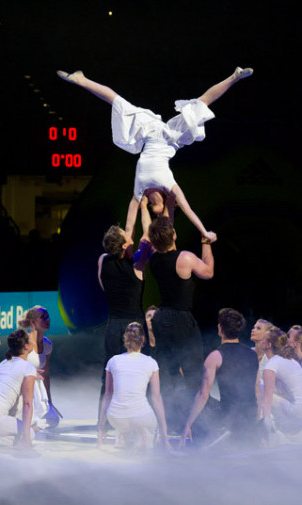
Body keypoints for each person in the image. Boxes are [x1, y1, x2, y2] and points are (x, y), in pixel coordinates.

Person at [57, 66, 253, 243]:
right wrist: (204, 232)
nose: (152, 208)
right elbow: (188, 210)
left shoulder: (140, 188)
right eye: (157, 212)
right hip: (171, 138)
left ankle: (81, 80)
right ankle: (234, 77)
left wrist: (127, 239)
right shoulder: (169, 185)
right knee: (201, 104)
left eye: (153, 212)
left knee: (118, 102)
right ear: (168, 205)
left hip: (150, 132)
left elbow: (129, 224)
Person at [147, 215, 214, 431]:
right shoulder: (184, 258)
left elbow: (160, 236)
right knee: (193, 373)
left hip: (162, 318)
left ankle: (169, 424)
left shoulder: (154, 259)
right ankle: (198, 426)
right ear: (174, 235)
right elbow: (208, 272)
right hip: (180, 319)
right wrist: (206, 244)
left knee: (168, 373)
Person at [181, 309, 259, 448]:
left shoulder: (216, 356)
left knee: (193, 397)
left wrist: (188, 424)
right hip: (250, 414)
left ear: (220, 329)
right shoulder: (253, 355)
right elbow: (256, 390)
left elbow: (203, 395)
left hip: (230, 418)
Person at [97, 224, 151, 409]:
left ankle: (102, 422)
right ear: (122, 246)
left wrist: (136, 200)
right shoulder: (137, 264)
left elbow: (129, 226)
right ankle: (138, 412)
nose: (130, 237)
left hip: (113, 325)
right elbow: (147, 235)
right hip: (134, 325)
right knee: (139, 371)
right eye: (126, 236)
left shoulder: (103, 260)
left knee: (110, 373)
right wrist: (143, 207)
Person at [98, 322, 171, 451]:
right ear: (143, 339)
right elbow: (156, 398)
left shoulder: (113, 361)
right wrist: (164, 433)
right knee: (148, 425)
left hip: (115, 417)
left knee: (126, 420)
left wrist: (101, 428)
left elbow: (108, 395)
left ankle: (123, 436)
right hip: (140, 417)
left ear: (125, 338)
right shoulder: (151, 362)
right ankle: (141, 439)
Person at [258, 327, 302, 446]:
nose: (260, 341)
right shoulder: (290, 360)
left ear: (268, 345)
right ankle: (296, 436)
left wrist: (265, 420)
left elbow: (267, 399)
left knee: (261, 389)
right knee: (276, 392)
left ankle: (273, 437)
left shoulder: (271, 365)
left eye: (263, 339)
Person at [18, 306, 61, 429]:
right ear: (33, 322)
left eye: (48, 316)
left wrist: (49, 401)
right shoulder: (24, 342)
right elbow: (14, 367)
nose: (48, 319)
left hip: (36, 390)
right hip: (21, 388)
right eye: (43, 317)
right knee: (32, 423)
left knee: (52, 420)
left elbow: (45, 374)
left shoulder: (47, 345)